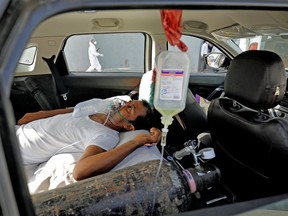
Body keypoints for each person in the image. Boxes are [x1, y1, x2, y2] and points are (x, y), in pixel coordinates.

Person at [16, 98, 161, 181]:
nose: (124, 105)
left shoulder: (105, 135)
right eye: (129, 103)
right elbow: (68, 113)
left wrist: (136, 141)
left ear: (129, 127)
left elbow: (80, 171)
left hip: (13, 151)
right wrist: (39, 115)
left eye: (130, 109)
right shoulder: (98, 110)